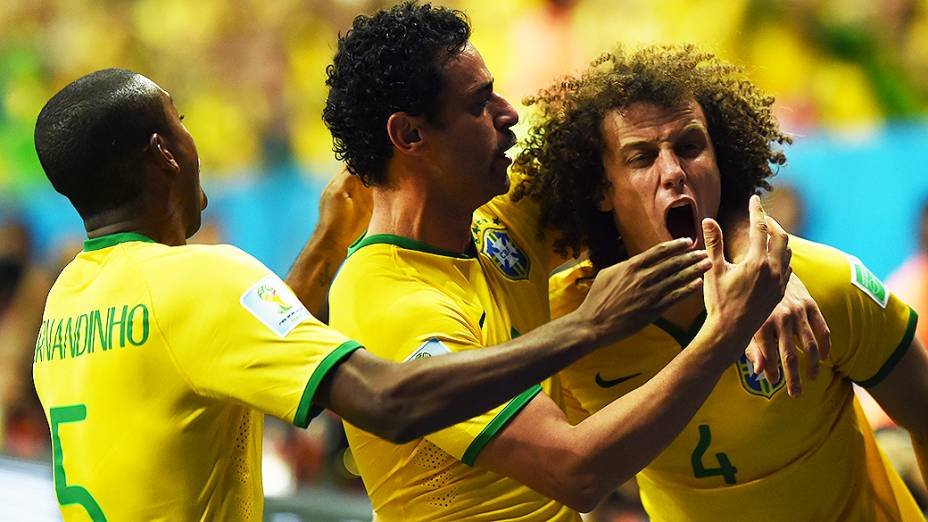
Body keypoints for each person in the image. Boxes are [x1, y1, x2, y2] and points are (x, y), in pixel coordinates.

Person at [32, 68, 717, 521]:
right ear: (162, 152)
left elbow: (234, 348)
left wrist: (327, 246)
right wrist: (587, 327)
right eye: (181, 122)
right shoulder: (200, 277)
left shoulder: (68, 303)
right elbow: (391, 400)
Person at [322, 4, 797, 520]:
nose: (509, 114)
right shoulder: (391, 299)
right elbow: (576, 471)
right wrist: (728, 326)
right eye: (480, 105)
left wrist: (752, 248)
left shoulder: (498, 215)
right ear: (410, 135)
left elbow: (673, 165)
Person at [515, 43, 928, 521]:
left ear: (721, 161)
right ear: (601, 190)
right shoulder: (568, 325)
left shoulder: (822, 283)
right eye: (642, 157)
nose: (673, 173)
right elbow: (572, 482)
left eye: (690, 147)